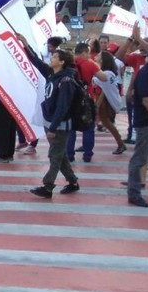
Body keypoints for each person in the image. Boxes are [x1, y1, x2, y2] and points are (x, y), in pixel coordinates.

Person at [29, 50, 80, 199]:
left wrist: (53, 127)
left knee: (55, 156)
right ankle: (72, 181)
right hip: (50, 121)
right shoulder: (53, 75)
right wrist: (25, 44)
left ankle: (48, 186)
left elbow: (62, 106)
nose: (52, 59)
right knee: (60, 155)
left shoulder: (66, 81)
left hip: (59, 125)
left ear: (62, 62)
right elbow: (37, 62)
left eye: (55, 57)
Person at [125, 42, 148, 208]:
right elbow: (147, 101)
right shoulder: (146, 73)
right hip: (147, 123)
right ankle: (134, 193)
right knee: (140, 158)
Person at [67, 43, 99, 163]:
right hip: (87, 99)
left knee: (71, 128)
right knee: (88, 128)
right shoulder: (90, 64)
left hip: (71, 100)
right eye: (88, 53)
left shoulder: (68, 63)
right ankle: (87, 154)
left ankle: (69, 154)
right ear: (84, 52)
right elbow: (104, 78)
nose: (89, 55)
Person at [93, 50, 127, 155]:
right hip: (105, 101)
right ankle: (120, 143)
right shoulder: (109, 73)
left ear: (103, 60)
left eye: (99, 55)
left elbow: (103, 90)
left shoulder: (105, 74)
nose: (96, 56)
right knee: (106, 123)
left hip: (104, 102)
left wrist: (97, 105)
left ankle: (120, 143)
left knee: (106, 122)